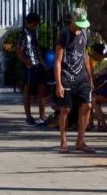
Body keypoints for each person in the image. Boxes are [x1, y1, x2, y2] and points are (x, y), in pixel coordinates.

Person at [53, 11, 94, 153]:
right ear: (73, 21)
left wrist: (90, 77)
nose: (81, 27)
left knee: (88, 106)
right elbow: (57, 61)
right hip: (67, 77)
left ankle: (80, 141)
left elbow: (85, 56)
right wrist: (59, 83)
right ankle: (63, 141)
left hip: (82, 77)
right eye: (78, 24)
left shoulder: (85, 34)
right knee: (66, 109)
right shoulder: (64, 34)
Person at [20, 13, 47, 126]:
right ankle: (28, 116)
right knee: (28, 88)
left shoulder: (35, 33)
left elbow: (37, 48)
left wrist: (42, 62)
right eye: (34, 24)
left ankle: (42, 115)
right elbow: (19, 50)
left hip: (38, 63)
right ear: (29, 23)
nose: (36, 26)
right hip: (30, 65)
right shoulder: (23, 34)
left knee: (42, 88)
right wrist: (27, 62)